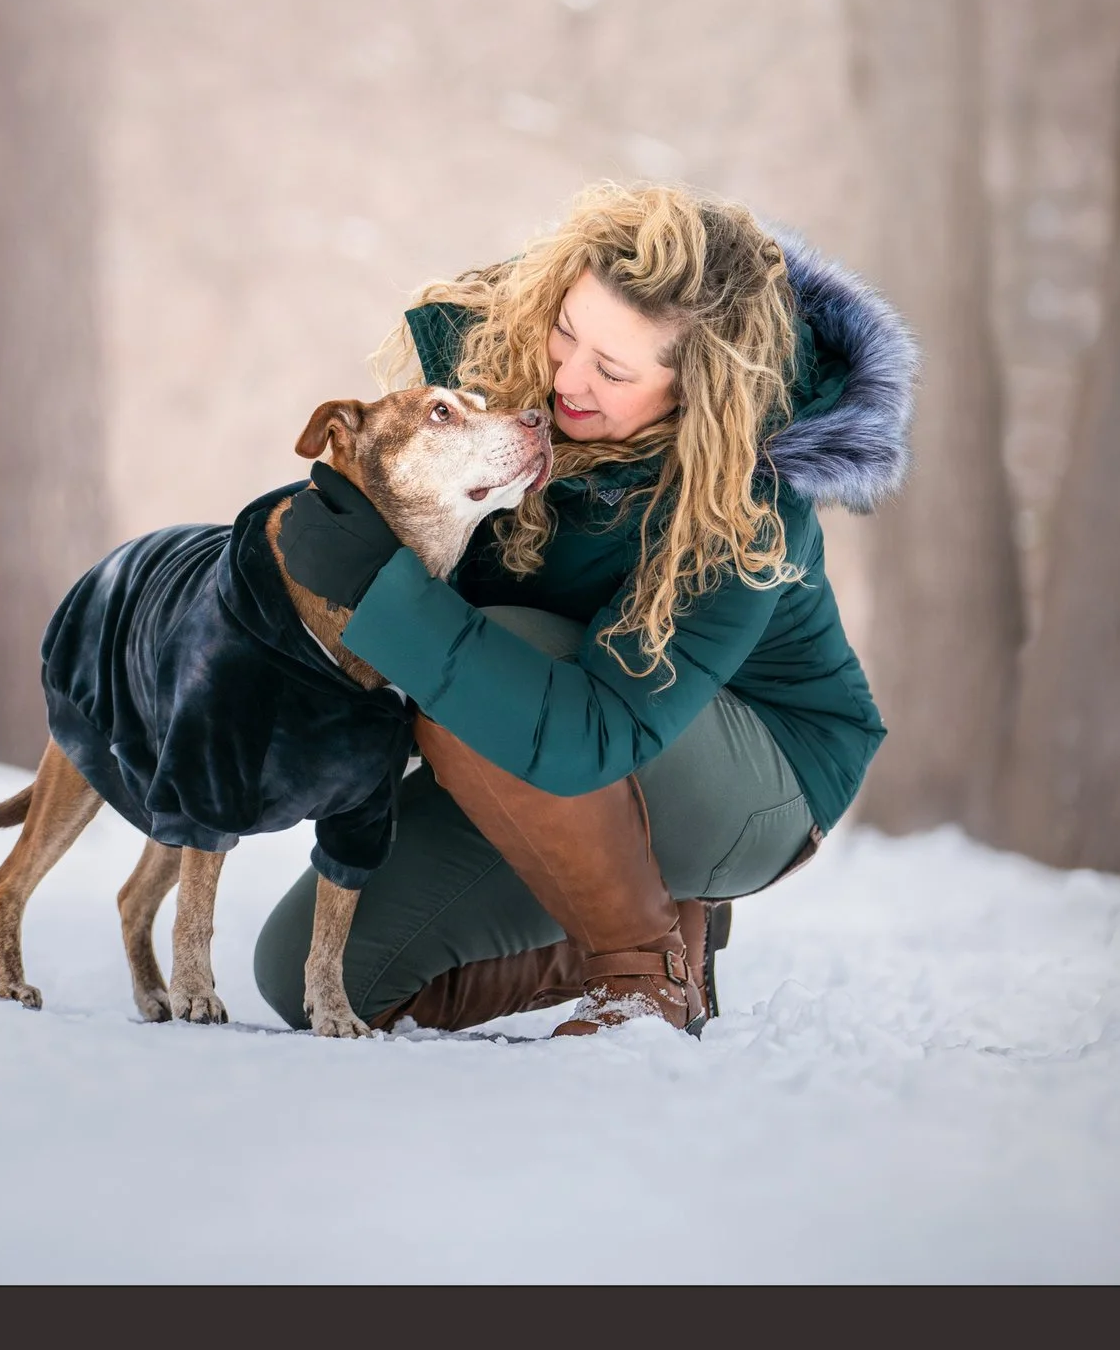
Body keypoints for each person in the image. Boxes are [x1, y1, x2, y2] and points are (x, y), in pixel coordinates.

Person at [254, 182, 915, 1036]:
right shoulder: (500, 370)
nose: (567, 377)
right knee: (310, 974)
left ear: (699, 392)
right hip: (527, 738)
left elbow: (597, 729)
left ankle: (644, 967)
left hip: (753, 766)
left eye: (612, 370)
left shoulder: (748, 498)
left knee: (501, 644)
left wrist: (382, 592)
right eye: (568, 330)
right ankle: (669, 924)